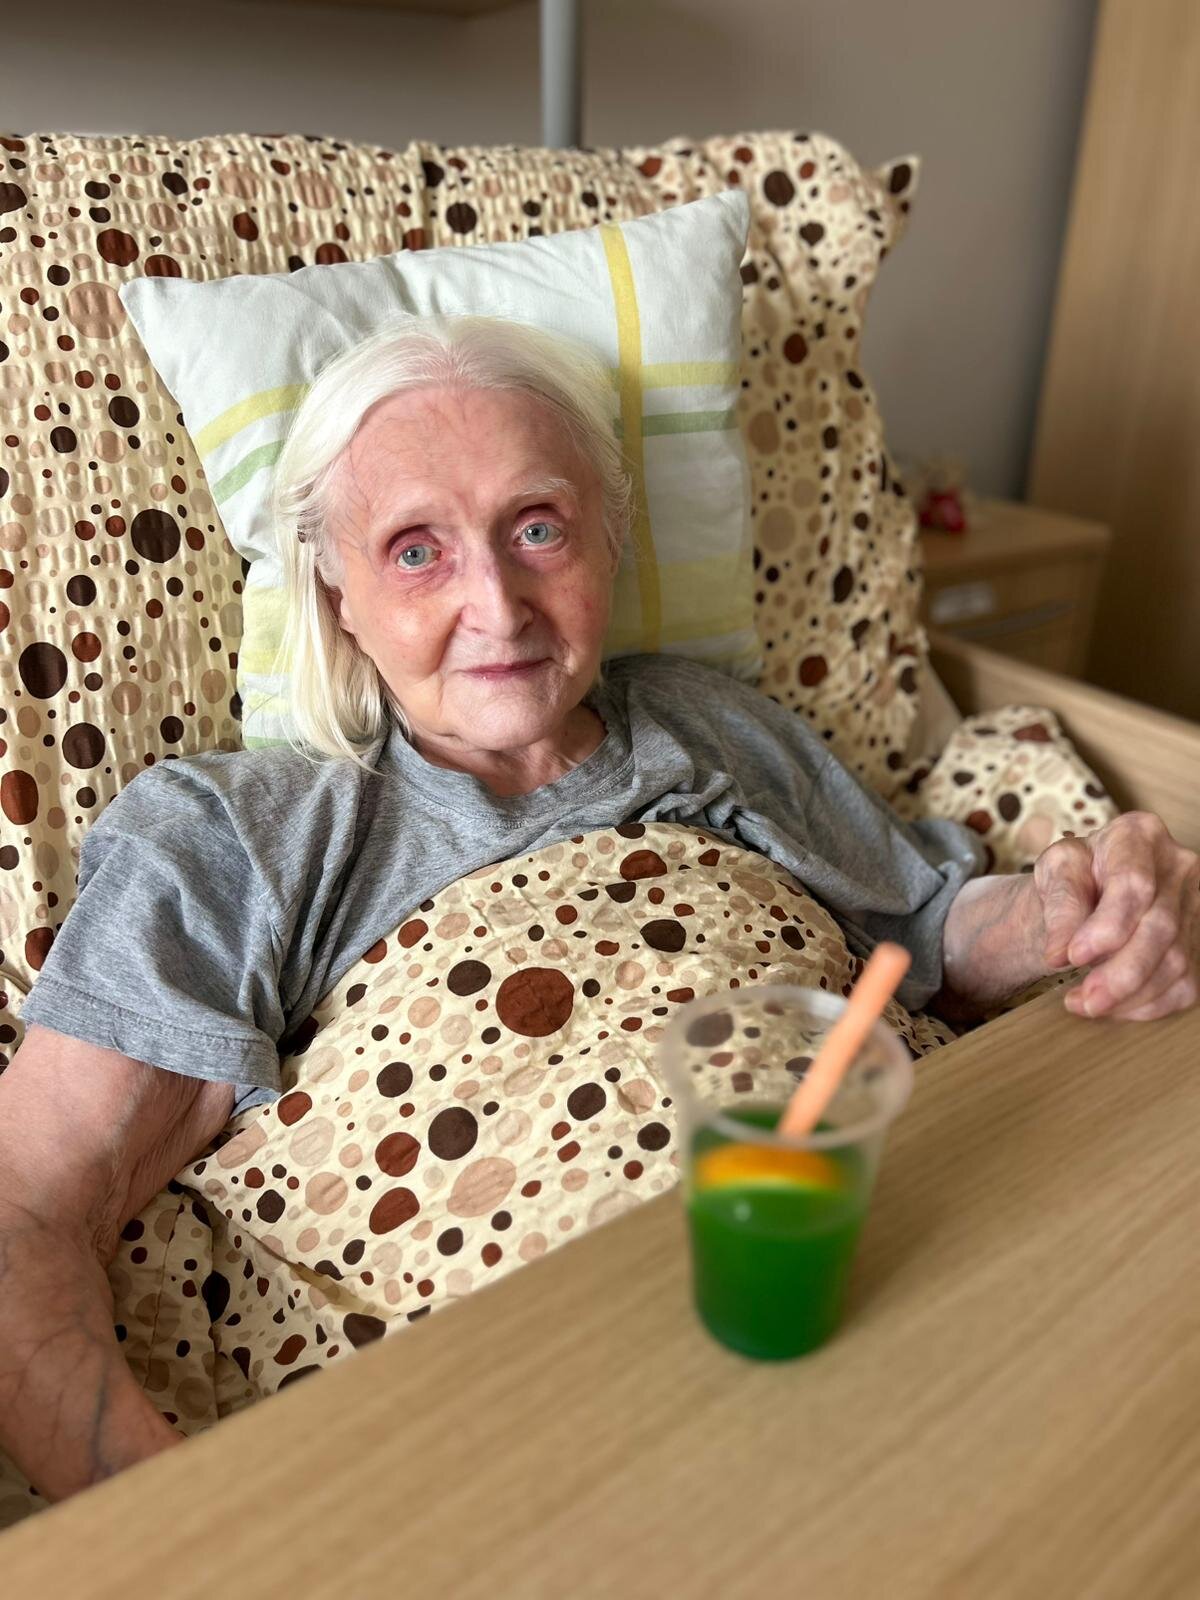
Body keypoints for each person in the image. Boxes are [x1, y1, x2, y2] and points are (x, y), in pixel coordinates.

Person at [1, 317, 1195, 1503]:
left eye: (537, 527)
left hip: (918, 1267)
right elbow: (27, 1211)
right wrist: (170, 1542)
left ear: (610, 540)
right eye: (416, 549)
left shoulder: (708, 724)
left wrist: (1079, 907)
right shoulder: (233, 833)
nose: (499, 604)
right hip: (539, 1449)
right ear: (337, 589)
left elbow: (927, 936)